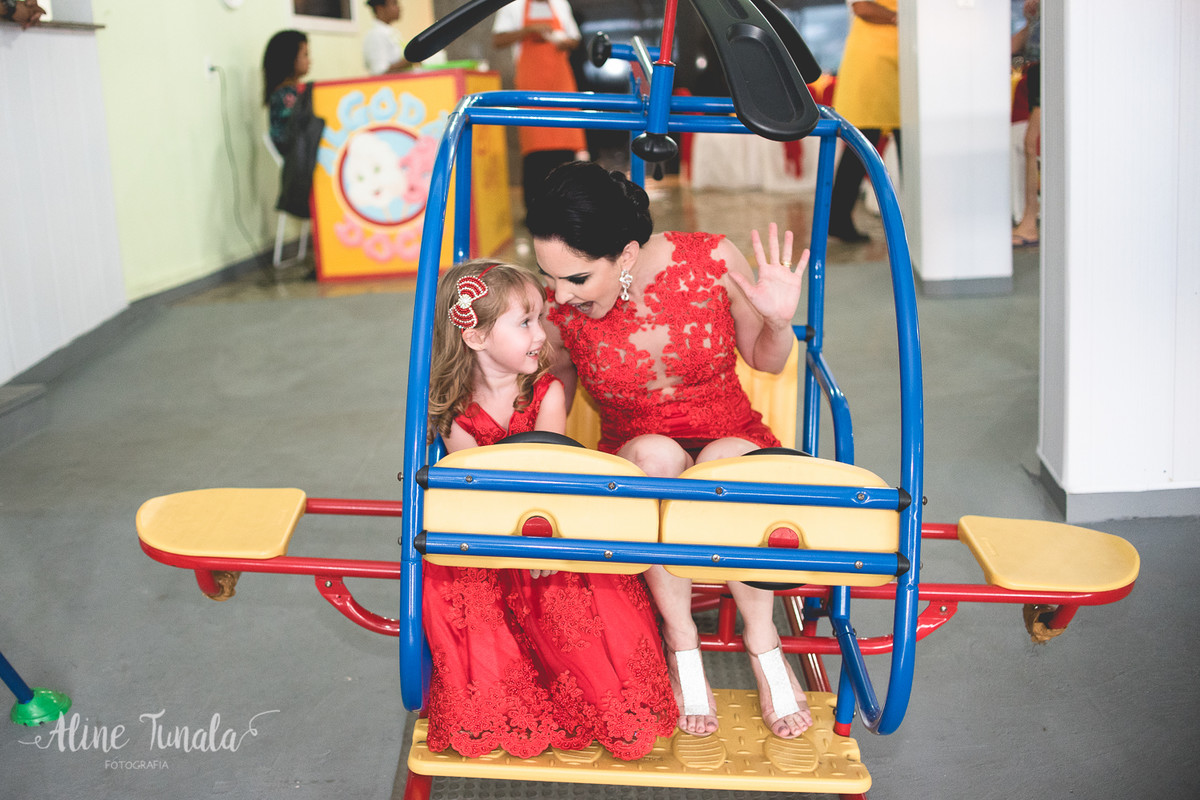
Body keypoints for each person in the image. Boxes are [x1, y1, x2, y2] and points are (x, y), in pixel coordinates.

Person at [526, 162, 814, 741]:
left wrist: (780, 322)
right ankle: (683, 641)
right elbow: (548, 397)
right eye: (548, 275)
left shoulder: (710, 260)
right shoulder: (559, 310)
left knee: (725, 462)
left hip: (733, 439)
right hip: (638, 460)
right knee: (657, 460)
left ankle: (764, 641)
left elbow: (767, 359)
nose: (559, 294)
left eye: (577, 278)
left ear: (626, 255)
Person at [422, 259, 677, 760]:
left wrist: (541, 537)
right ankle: (503, 698)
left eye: (539, 319)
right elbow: (476, 490)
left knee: (573, 586)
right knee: (458, 581)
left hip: (552, 521)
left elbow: (553, 476)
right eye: (525, 323)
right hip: (496, 528)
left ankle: (592, 694)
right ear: (474, 338)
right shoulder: (454, 410)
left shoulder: (545, 392)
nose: (541, 335)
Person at [492, 0, 590, 212]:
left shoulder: (560, 3)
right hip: (531, 85)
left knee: (566, 146)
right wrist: (528, 30)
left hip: (560, 82)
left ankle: (567, 208)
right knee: (536, 152)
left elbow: (574, 38)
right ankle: (536, 213)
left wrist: (565, 43)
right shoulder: (513, 5)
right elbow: (498, 39)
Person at [828, 0, 900, 244]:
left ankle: (838, 219)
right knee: (862, 142)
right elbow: (862, 7)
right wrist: (899, 17)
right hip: (874, 64)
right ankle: (837, 218)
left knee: (908, 143)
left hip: (900, 63)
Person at [1011, 0, 1041, 248]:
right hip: (1037, 70)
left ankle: (1030, 221)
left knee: (1032, 144)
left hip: (1045, 69)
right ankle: (1029, 219)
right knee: (1030, 145)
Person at [262, 30, 311, 153]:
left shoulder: (289, 92)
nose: (309, 61)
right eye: (305, 55)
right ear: (291, 58)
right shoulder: (286, 95)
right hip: (296, 157)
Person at [363, 0, 412, 75]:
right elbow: (379, 73)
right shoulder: (376, 35)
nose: (399, 8)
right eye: (394, 4)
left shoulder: (391, 32)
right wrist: (411, 59)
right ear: (380, 9)